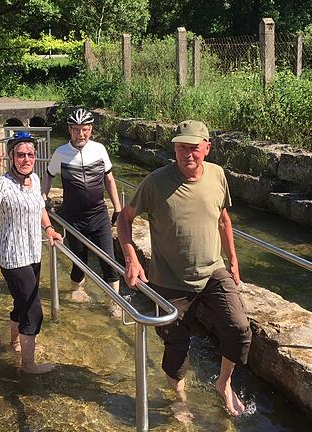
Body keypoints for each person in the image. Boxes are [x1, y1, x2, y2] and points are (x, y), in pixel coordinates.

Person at [116, 120, 252, 417]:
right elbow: (124, 219)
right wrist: (131, 258)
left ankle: (223, 384)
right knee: (176, 347)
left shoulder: (217, 175)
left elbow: (223, 220)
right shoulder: (155, 182)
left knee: (239, 328)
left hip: (213, 271)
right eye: (181, 147)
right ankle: (179, 398)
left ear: (207, 148)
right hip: (170, 278)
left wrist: (233, 261)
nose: (186, 153)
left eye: (193, 147)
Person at [0, 131, 63, 374]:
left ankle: (16, 343)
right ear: (11, 157)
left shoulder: (36, 180)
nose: (25, 159)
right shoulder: (4, 183)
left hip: (32, 253)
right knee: (32, 308)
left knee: (21, 302)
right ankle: (28, 365)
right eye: (20, 155)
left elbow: (39, 207)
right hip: (13, 256)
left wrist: (49, 228)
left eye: (29, 154)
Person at [41, 108, 122, 306]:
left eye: (85, 129)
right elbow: (49, 176)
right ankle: (77, 291)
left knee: (109, 261)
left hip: (99, 214)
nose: (81, 134)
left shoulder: (99, 149)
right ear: (70, 130)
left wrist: (118, 209)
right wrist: (43, 197)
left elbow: (109, 179)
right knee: (79, 262)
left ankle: (114, 304)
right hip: (73, 217)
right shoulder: (61, 153)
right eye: (76, 130)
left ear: (91, 129)